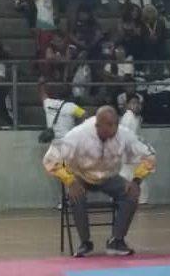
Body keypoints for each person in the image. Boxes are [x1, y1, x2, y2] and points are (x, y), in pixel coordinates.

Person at [42, 106, 156, 257]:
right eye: (108, 125)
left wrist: (137, 180)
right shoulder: (77, 135)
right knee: (76, 195)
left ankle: (117, 241)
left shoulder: (124, 134)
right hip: (80, 175)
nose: (113, 129)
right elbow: (50, 160)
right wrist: (69, 181)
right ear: (97, 125)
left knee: (131, 194)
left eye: (115, 124)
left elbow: (150, 154)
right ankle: (85, 243)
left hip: (109, 176)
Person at [119, 93, 150, 205]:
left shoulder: (135, 117)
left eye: (137, 103)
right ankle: (141, 200)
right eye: (133, 103)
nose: (136, 105)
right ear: (127, 105)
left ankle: (138, 200)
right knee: (134, 175)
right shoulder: (128, 118)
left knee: (132, 175)